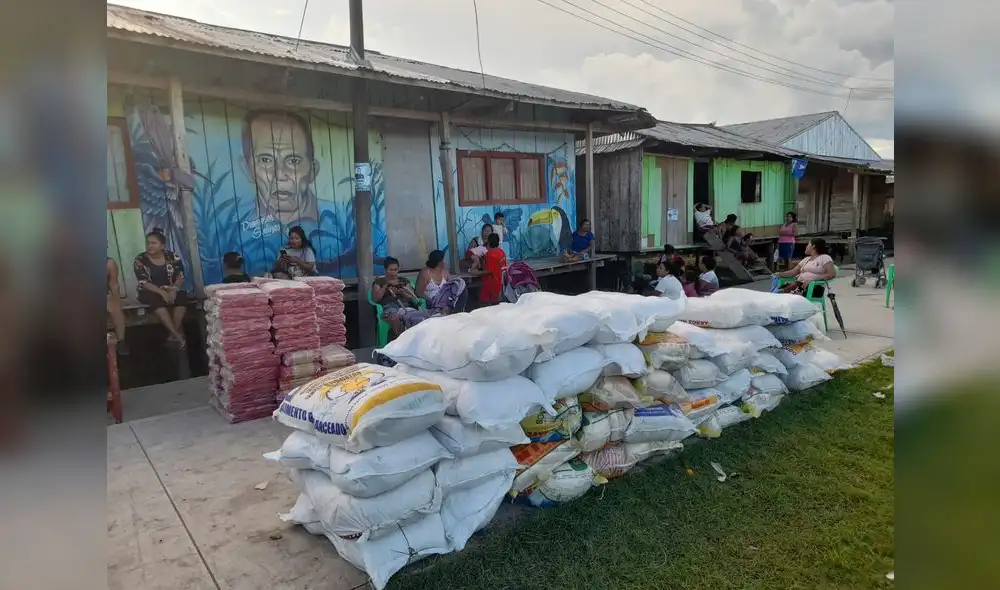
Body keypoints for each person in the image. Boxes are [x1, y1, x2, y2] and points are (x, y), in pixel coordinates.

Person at [242, 110, 320, 226]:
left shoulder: (341, 218)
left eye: (293, 161)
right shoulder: (230, 223)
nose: (279, 175)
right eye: (265, 160)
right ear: (247, 170)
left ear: (312, 171)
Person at [133, 228, 189, 346]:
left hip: (170, 288)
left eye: (154, 243)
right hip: (149, 290)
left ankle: (172, 334)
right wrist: (162, 292)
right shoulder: (140, 260)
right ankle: (177, 335)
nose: (150, 246)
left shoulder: (173, 257)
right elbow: (144, 282)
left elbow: (180, 277)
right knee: (156, 301)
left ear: (162, 246)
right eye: (148, 243)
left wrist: (174, 290)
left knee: (182, 297)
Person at [372, 256, 431, 338]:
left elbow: (413, 297)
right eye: (390, 270)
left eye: (395, 270)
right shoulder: (379, 281)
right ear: (385, 270)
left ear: (398, 269)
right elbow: (375, 299)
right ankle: (401, 339)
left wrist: (403, 293)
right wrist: (385, 286)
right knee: (394, 318)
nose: (393, 273)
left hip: (405, 307)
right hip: (389, 308)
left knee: (418, 317)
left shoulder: (403, 281)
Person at [416, 249, 468, 314]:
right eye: (443, 259)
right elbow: (419, 293)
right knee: (446, 309)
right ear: (439, 262)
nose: (445, 261)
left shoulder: (445, 272)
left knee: (460, 285)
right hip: (432, 302)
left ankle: (457, 311)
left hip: (445, 301)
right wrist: (432, 301)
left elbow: (452, 286)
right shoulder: (425, 273)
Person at [475, 233, 507, 306]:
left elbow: (489, 270)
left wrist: (477, 272)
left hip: (491, 284)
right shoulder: (502, 252)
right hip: (501, 282)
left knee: (486, 305)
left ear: (488, 243)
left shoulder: (490, 254)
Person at [106, 257, 128, 355]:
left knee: (116, 310)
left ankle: (121, 341)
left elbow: (113, 284)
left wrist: (117, 300)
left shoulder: (109, 263)